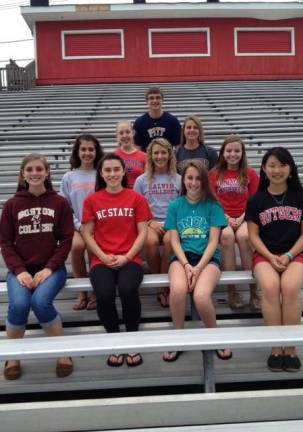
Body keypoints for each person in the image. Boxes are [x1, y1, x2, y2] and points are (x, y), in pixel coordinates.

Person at [0, 153, 74, 380]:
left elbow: (66, 240)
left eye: (39, 169)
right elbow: (5, 242)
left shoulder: (60, 202)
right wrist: (20, 271)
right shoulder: (12, 204)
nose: (34, 173)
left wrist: (49, 268)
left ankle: (62, 354)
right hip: (20, 270)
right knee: (19, 305)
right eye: (29, 169)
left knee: (40, 302)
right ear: (23, 174)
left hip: (51, 269)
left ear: (47, 172)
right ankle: (13, 357)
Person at [246, 147, 303, 372]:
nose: (277, 170)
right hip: (264, 255)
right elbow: (253, 236)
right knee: (270, 286)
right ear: (264, 169)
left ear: (290, 169)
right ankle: (276, 347)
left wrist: (288, 255)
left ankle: (291, 348)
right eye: (272, 165)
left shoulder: (302, 197)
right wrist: (270, 256)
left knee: (290, 287)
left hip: (294, 254)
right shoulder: (256, 200)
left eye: (282, 165)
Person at [82, 153, 151, 368]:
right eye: (107, 170)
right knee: (104, 293)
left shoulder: (136, 198)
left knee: (128, 289)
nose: (112, 174)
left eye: (116, 169)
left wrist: (128, 256)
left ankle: (131, 341)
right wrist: (102, 256)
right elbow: (86, 233)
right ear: (101, 174)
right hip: (101, 260)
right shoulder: (92, 200)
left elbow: (143, 232)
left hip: (129, 258)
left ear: (123, 172)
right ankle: (114, 340)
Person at [163, 160, 231, 362]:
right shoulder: (176, 205)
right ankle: (178, 337)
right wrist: (186, 265)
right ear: (183, 180)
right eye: (189, 178)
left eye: (198, 178)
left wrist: (198, 268)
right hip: (182, 257)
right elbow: (174, 240)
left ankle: (215, 337)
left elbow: (213, 241)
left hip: (207, 260)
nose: (193, 183)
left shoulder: (213, 206)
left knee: (201, 297)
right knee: (177, 290)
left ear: (204, 181)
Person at [209, 135, 260, 310]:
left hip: (245, 216)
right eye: (229, 150)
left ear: (242, 153)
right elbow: (212, 201)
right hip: (222, 217)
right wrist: (227, 218)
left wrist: (243, 216)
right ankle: (232, 290)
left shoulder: (251, 173)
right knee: (227, 237)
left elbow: (255, 200)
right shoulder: (214, 174)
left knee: (245, 237)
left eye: (236, 150)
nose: (233, 154)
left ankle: (254, 290)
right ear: (223, 153)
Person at [134, 138, 181, 307]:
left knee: (170, 241)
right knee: (150, 241)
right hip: (150, 222)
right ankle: (160, 287)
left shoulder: (178, 179)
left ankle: (163, 284)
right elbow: (136, 207)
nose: (160, 156)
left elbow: (182, 206)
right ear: (150, 156)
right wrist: (149, 222)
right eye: (156, 153)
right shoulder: (141, 180)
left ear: (169, 155)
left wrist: (170, 223)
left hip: (172, 223)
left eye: (163, 152)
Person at [60, 134, 104, 311]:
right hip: (77, 226)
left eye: (91, 149)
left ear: (96, 151)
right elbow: (65, 207)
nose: (87, 153)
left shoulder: (101, 174)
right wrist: (79, 225)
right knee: (77, 247)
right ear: (77, 152)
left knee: (95, 251)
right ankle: (81, 291)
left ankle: (94, 290)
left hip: (99, 225)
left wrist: (93, 226)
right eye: (83, 149)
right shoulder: (69, 177)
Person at [133, 87, 181, 152]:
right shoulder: (139, 123)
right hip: (147, 160)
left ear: (162, 100)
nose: (155, 100)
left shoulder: (173, 121)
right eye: (151, 98)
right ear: (147, 101)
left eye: (158, 98)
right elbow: (137, 147)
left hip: (167, 160)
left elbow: (178, 146)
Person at [114, 120, 146, 189]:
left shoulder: (144, 157)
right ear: (117, 135)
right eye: (121, 133)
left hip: (138, 197)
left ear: (133, 133)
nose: (124, 135)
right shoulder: (113, 157)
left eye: (127, 132)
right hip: (120, 197)